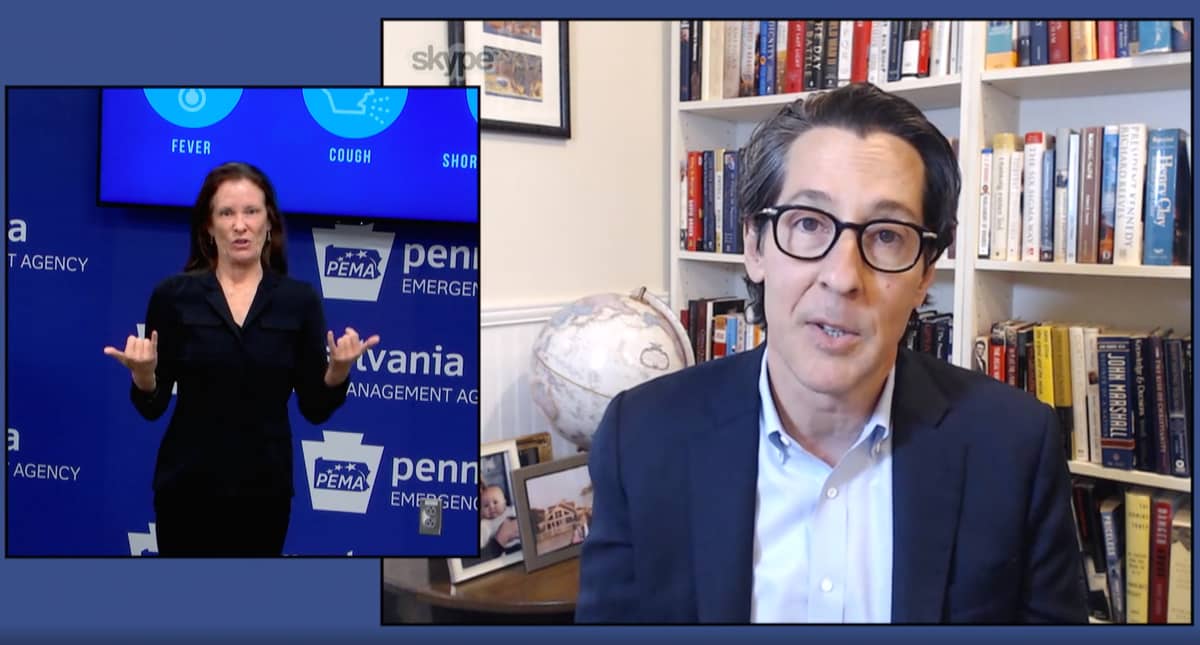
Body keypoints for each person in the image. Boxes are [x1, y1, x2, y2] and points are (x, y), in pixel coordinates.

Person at [576, 84, 1088, 623]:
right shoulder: (642, 437)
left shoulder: (1013, 446)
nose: (843, 277)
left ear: (924, 275)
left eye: (886, 236)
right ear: (754, 246)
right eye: (808, 223)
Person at [103, 161, 380, 557]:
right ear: (208, 226)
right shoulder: (173, 297)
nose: (240, 225)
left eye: (251, 211)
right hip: (186, 487)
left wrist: (337, 371)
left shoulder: (298, 301)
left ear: (269, 223)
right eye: (226, 213)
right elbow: (153, 406)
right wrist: (145, 376)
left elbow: (315, 408)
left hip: (264, 491)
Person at [480, 484, 521, 552]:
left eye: (495, 502)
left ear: (504, 502)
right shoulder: (484, 525)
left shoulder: (511, 510)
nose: (491, 507)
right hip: (504, 552)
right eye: (486, 505)